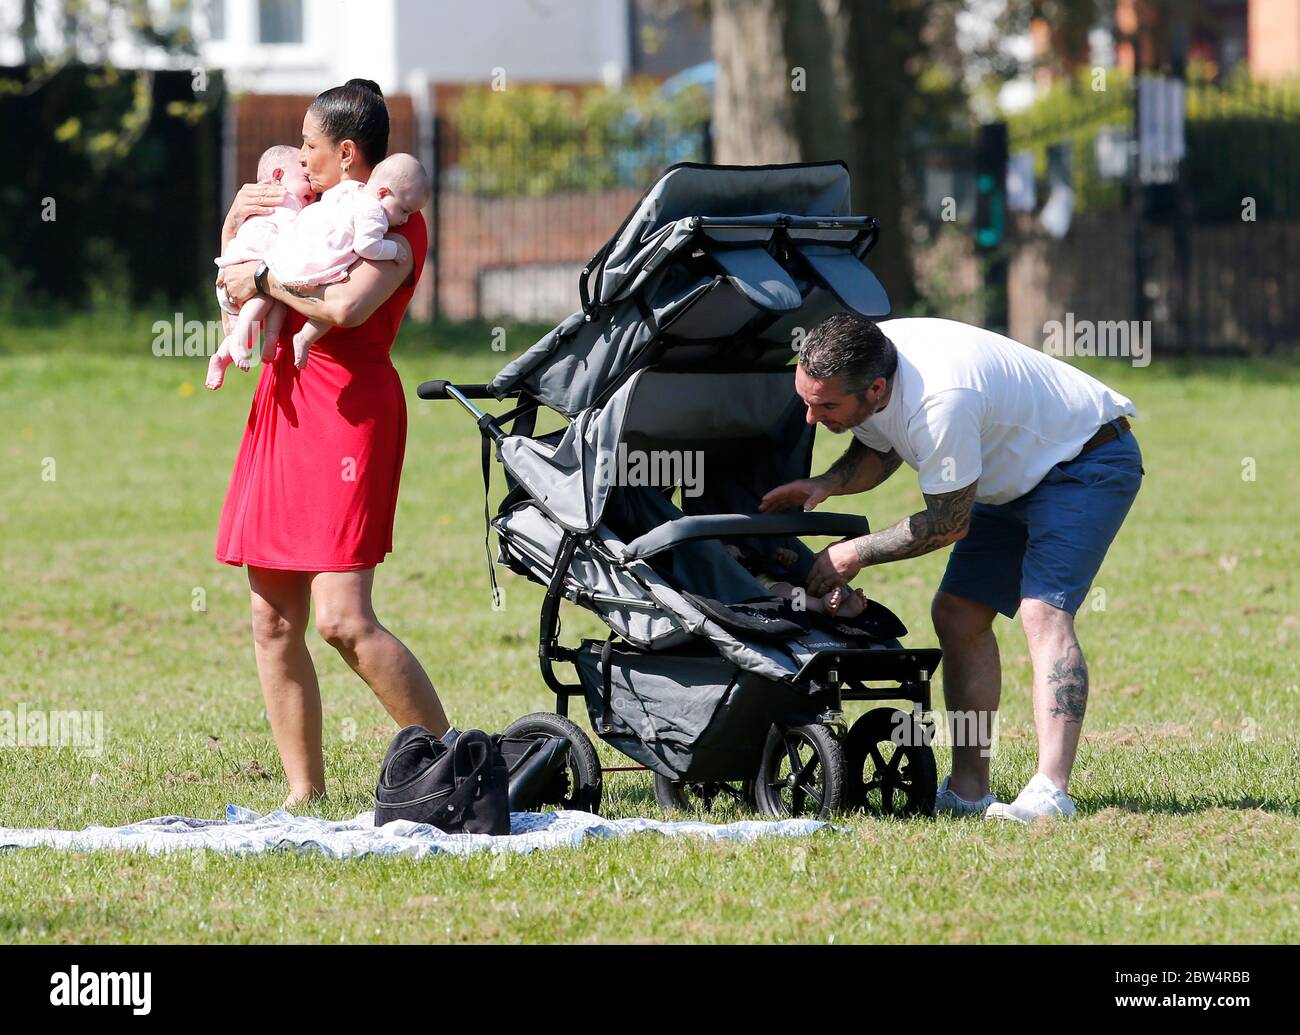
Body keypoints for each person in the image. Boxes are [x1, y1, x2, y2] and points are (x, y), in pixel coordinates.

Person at [760, 314, 1143, 822]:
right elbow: (883, 442)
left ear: (875, 389)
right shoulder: (868, 355)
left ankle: (1051, 792)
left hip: (1085, 459)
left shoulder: (941, 400)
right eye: (806, 400)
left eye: (825, 406)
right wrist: (826, 483)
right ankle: (968, 790)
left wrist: (854, 553)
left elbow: (946, 523)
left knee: (1042, 612)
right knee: (958, 612)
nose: (811, 418)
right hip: (1008, 476)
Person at [213, 79, 453, 809]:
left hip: (350, 412)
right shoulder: (304, 209)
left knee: (343, 618)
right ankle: (302, 793)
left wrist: (263, 275)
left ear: (347, 153)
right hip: (284, 405)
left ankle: (458, 763)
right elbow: (233, 293)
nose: (300, 158)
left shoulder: (393, 221)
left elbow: (345, 307)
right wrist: (234, 236)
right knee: (271, 615)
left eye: (312, 146)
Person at [265, 152, 432, 368]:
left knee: (278, 301)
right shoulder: (375, 212)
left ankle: (261, 338)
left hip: (302, 254)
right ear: (383, 192)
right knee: (325, 310)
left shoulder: (351, 190)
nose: (405, 219)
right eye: (403, 211)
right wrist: (393, 249)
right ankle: (305, 337)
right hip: (325, 264)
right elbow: (367, 246)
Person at [207, 145, 315, 390]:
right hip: (244, 272)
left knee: (272, 303)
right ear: (278, 177)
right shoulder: (286, 202)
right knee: (266, 298)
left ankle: (226, 355)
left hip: (231, 275)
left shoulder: (266, 205)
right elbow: (293, 235)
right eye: (305, 178)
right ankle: (244, 345)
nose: (311, 190)